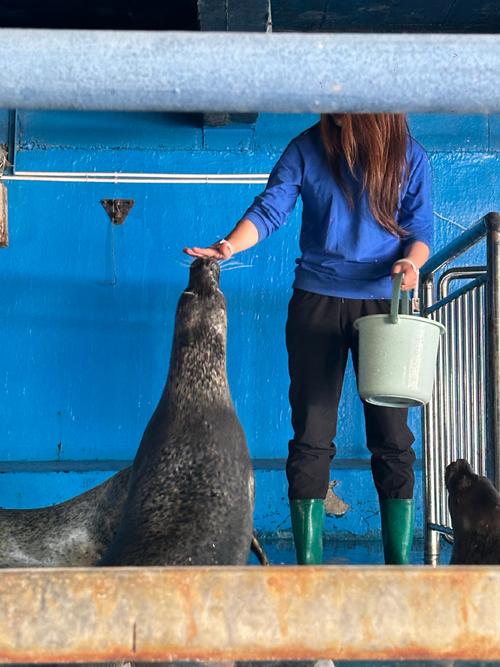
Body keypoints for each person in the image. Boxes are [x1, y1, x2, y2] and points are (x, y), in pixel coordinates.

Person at [184, 113, 432, 565]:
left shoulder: (408, 155)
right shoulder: (307, 146)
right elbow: (270, 208)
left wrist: (411, 265)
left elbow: (419, 231)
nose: (330, 109)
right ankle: (308, 570)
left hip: (385, 305)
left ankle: (400, 567)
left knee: (393, 437)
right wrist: (230, 246)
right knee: (312, 434)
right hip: (316, 301)